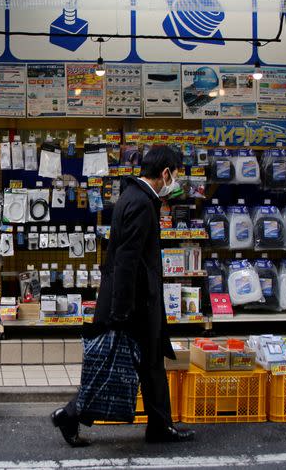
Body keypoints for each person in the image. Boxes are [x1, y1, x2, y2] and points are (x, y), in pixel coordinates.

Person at [52, 146, 195, 446]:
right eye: (176, 173)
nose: (177, 180)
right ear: (165, 172)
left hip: (135, 303)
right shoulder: (142, 204)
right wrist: (120, 313)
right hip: (134, 306)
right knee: (117, 365)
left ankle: (159, 427)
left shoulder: (135, 197)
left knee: (151, 365)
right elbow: (126, 260)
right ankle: (70, 413)